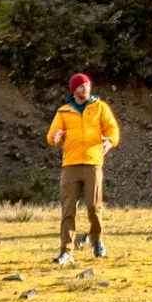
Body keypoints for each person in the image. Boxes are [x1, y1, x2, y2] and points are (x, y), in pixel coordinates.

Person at [45, 72, 119, 261]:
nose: (85, 88)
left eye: (87, 84)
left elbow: (112, 129)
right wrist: (54, 136)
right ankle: (66, 251)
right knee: (68, 209)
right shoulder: (63, 111)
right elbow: (51, 134)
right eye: (81, 86)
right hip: (70, 165)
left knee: (94, 206)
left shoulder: (100, 107)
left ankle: (97, 240)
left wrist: (110, 141)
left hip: (93, 163)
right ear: (74, 90)